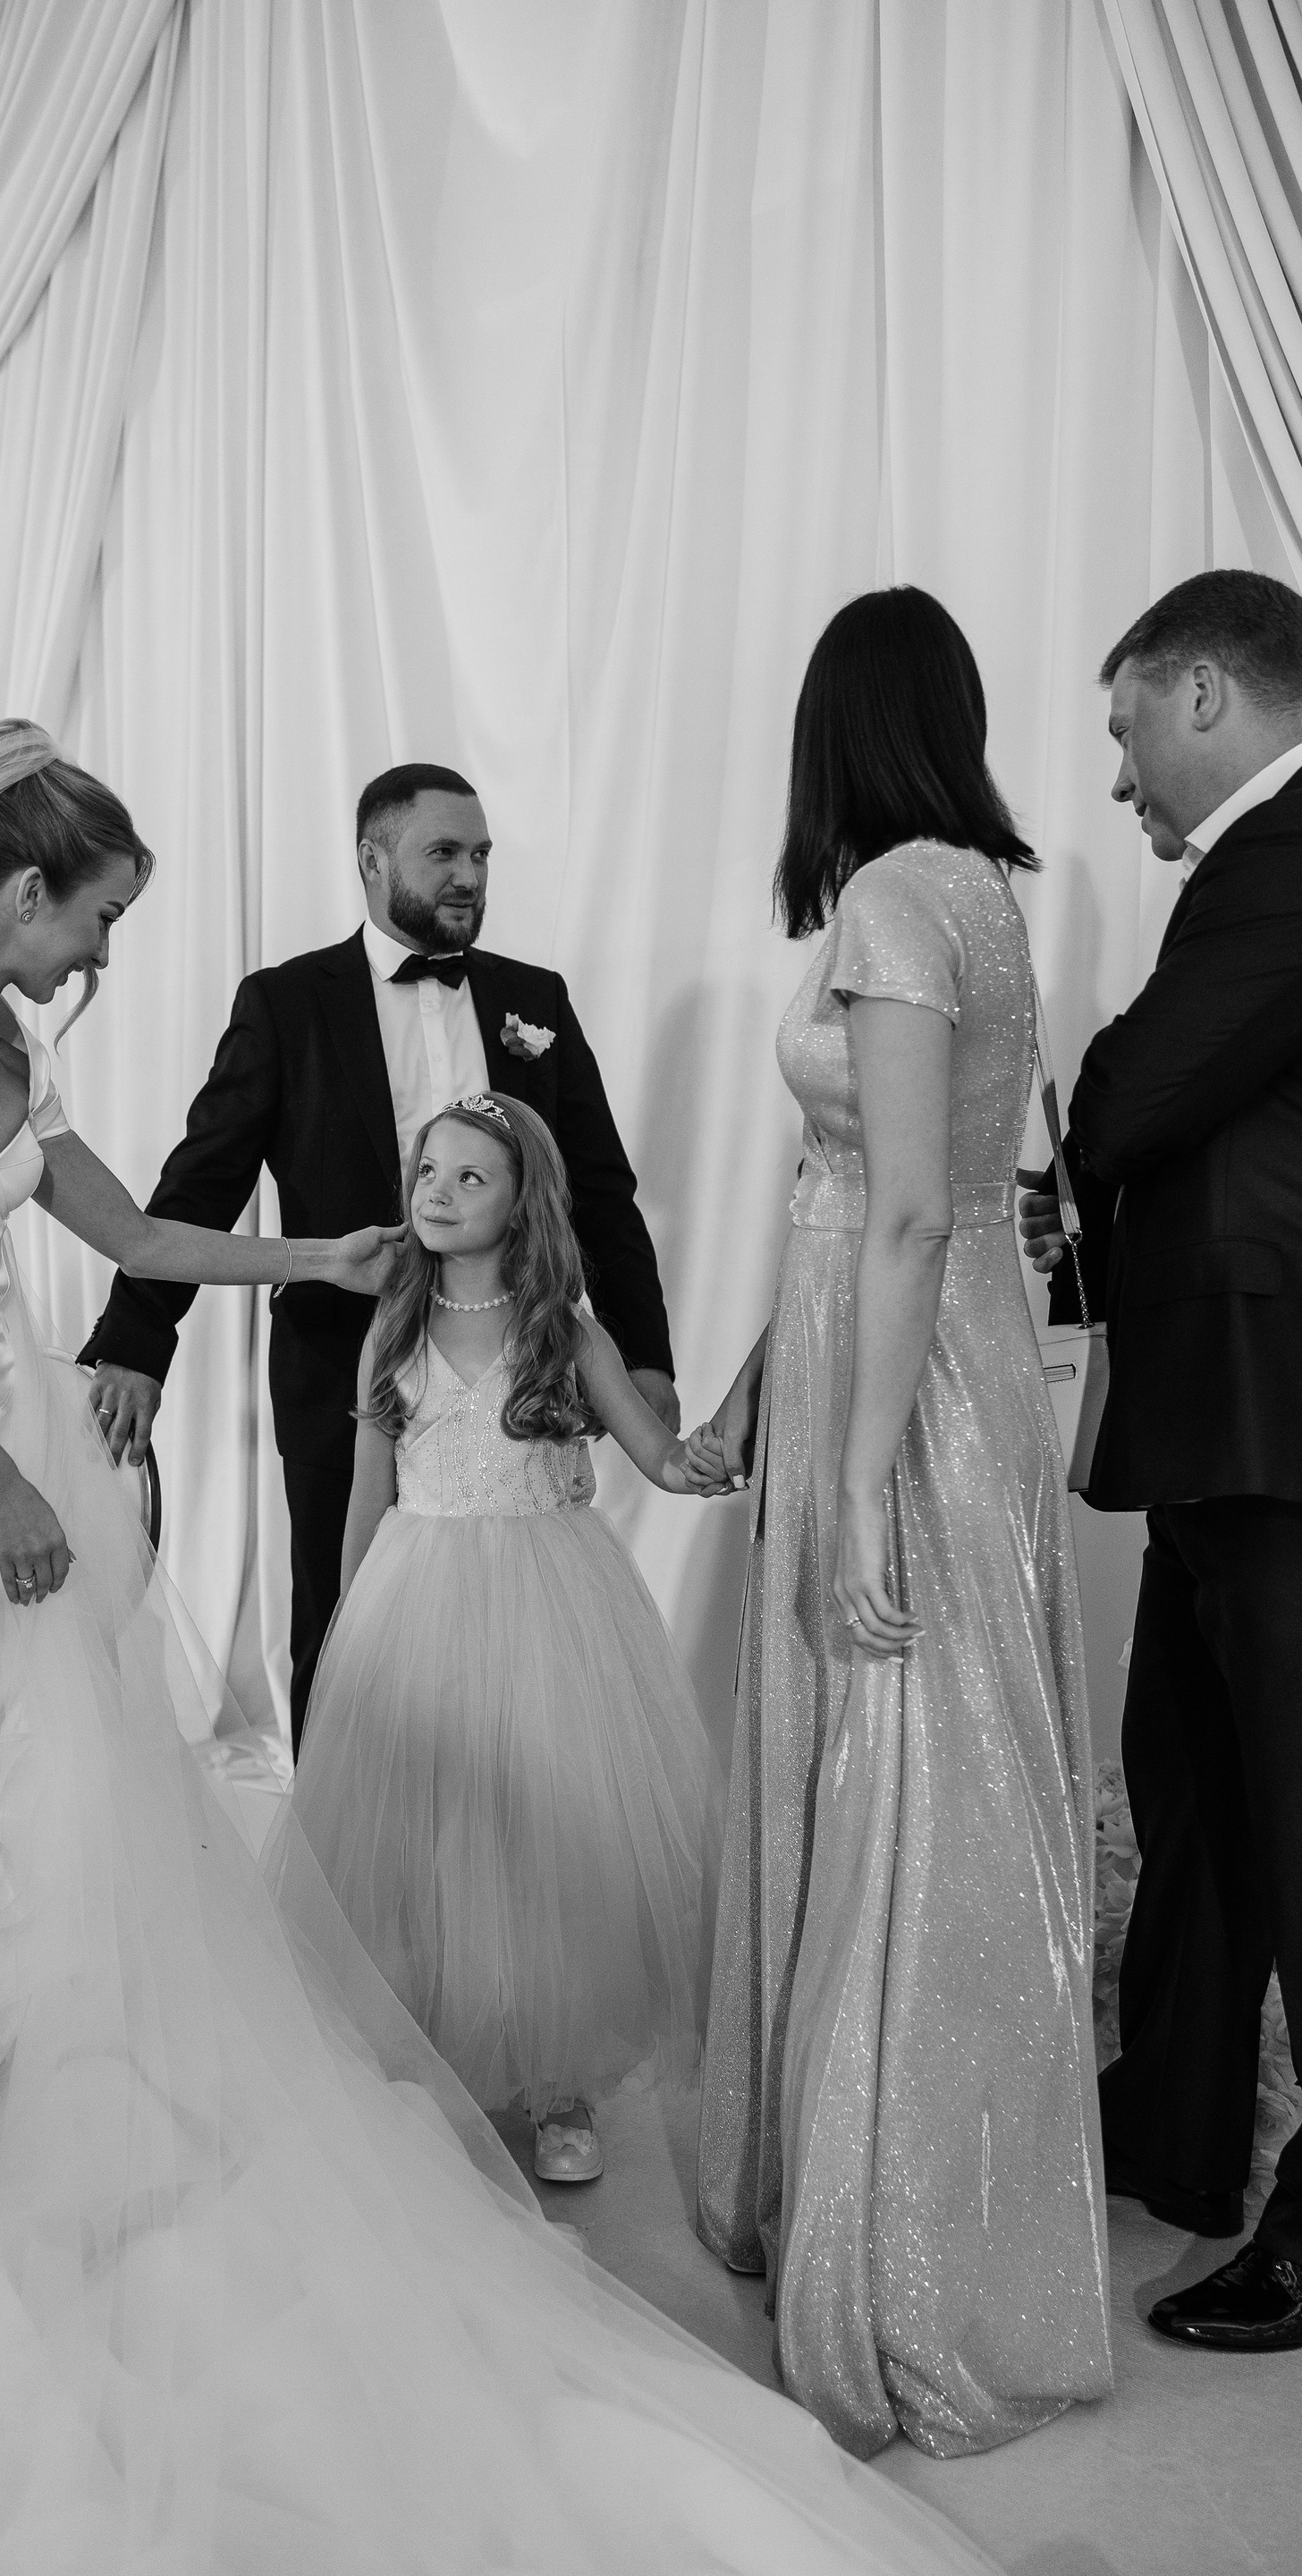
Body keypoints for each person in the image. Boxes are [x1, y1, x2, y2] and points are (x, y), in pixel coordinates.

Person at [0, 720, 994, 2574]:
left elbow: (140, 1223)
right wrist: (3, 1467)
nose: (101, 960)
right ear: (26, 888)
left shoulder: (17, 1048)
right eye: (97, 921)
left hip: (24, 1442)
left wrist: (315, 1261)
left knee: (35, 1820)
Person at [689, 590, 1113, 2458]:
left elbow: (915, 1207)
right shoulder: (982, 896)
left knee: (907, 1764)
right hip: (924, 1351)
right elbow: (881, 1185)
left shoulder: (887, 900)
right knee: (938, 1758)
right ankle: (921, 2205)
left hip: (909, 1379)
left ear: (833, 733)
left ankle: (907, 2264)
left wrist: (857, 1480)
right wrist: (759, 1386)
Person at [79, 761, 678, 1754]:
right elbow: (200, 1185)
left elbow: (602, 1193)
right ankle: (335, 1842)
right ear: (372, 859)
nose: (469, 876)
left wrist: (644, 1355)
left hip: (513, 1373)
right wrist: (137, 1343)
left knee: (514, 1657)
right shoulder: (285, 1003)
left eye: (481, 854)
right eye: (443, 853)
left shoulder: (535, 999)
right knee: (342, 1628)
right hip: (339, 1369)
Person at [1019, 569, 1302, 2354]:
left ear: (1205, 691)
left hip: (1284, 1422)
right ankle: (1177, 2123)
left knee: (1288, 1809)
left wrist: (1105, 1069)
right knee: (1192, 1783)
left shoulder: (1286, 858)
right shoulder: (1254, 867)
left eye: (1127, 729)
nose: (1120, 776)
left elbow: (1123, 1104)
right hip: (1223, 1416)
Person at [264, 1095, 724, 2190]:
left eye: (472, 1177)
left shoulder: (564, 1332)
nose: (439, 1192)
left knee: (544, 1835)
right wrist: (347, 1631)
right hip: (416, 1600)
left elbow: (659, 1456)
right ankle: (434, 2059)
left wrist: (709, 1454)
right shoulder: (393, 1329)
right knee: (429, 1841)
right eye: (430, 1170)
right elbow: (367, 1495)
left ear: (524, 1204)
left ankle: (562, 2084)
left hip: (547, 1606)